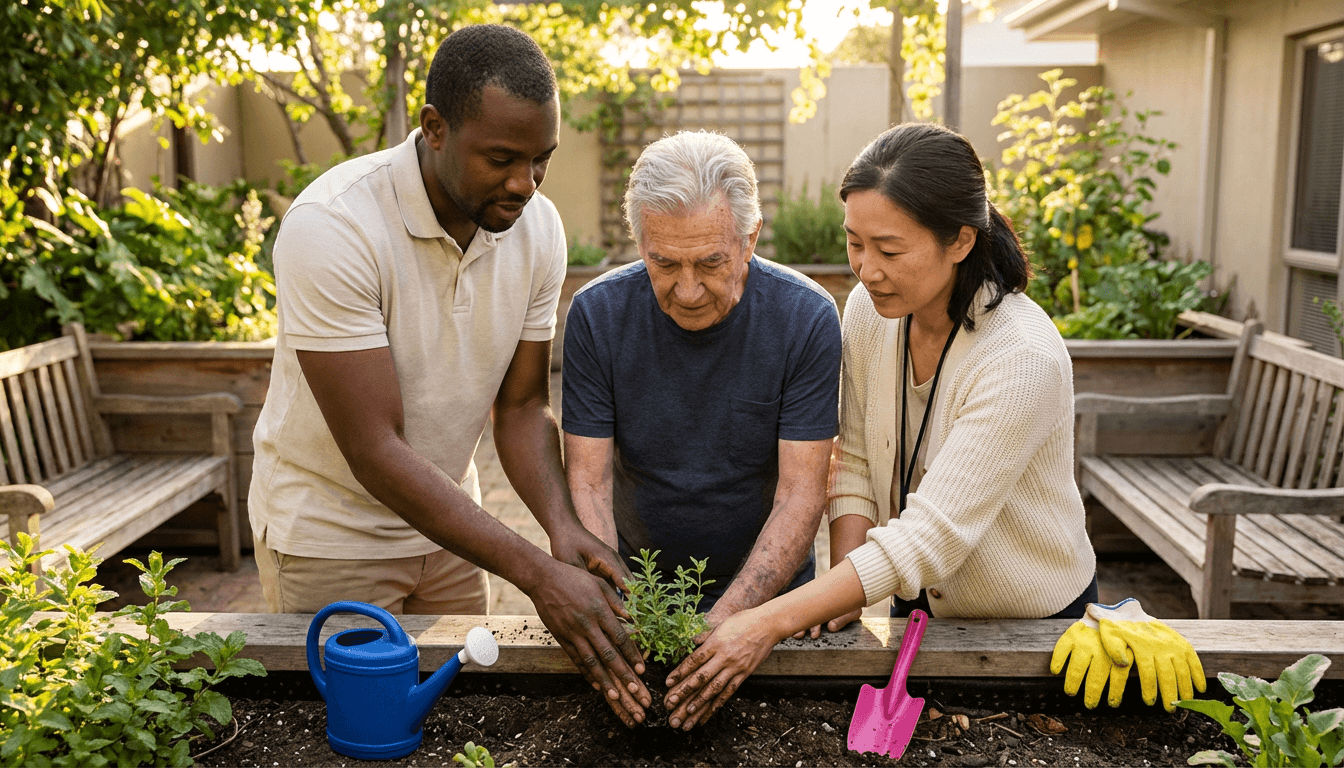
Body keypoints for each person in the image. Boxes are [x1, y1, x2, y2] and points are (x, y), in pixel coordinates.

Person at [248, 24, 651, 727]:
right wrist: (533, 573)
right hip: (331, 538)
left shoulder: (538, 228)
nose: (525, 184)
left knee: (457, 725)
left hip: (450, 533)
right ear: (434, 127)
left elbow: (521, 407)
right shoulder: (333, 225)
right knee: (358, 732)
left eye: (542, 160)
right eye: (501, 158)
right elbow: (375, 448)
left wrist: (561, 528)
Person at [660, 123, 1100, 729]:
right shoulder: (873, 310)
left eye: (889, 250)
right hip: (919, 620)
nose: (866, 270)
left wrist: (765, 620)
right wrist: (849, 593)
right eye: (854, 244)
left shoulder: (1021, 359)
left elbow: (927, 538)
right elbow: (858, 460)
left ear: (961, 241)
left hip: (1036, 637)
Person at [562, 131, 841, 634]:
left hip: (772, 601)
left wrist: (731, 619)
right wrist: (620, 602)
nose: (687, 291)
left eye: (711, 262)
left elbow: (801, 493)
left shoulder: (807, 318)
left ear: (750, 238)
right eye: (664, 263)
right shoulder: (597, 315)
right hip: (639, 589)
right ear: (641, 242)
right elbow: (589, 482)